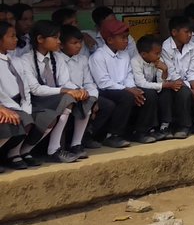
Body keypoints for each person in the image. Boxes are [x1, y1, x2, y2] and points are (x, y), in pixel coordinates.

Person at [21, 20, 90, 163]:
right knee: (67, 99)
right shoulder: (25, 60)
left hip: (54, 98)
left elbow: (65, 81)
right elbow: (35, 89)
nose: (59, 42)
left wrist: (77, 90)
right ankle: (48, 150)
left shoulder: (57, 58)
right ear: (40, 39)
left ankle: (63, 147)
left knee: (83, 99)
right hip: (36, 100)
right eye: (55, 38)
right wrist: (66, 90)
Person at [88, 19, 141, 148]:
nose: (126, 41)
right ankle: (113, 135)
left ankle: (140, 131)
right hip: (105, 90)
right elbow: (103, 82)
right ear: (110, 40)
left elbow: (128, 74)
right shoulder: (98, 56)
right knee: (126, 97)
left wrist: (132, 87)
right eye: (122, 38)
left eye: (126, 38)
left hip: (121, 89)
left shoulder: (125, 55)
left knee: (144, 94)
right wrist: (127, 89)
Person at [60, 26, 103, 158]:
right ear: (61, 45)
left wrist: (93, 97)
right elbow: (63, 81)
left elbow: (89, 82)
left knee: (89, 103)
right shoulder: (58, 59)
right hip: (66, 94)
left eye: (80, 42)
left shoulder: (83, 59)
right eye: (74, 43)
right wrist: (78, 91)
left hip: (82, 94)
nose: (78, 46)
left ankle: (76, 143)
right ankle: (61, 146)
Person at [0, 21, 36, 171]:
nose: (16, 39)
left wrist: (25, 106)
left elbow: (25, 87)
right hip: (4, 103)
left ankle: (14, 154)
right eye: (12, 36)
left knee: (27, 118)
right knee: (9, 120)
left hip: (16, 102)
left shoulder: (14, 60)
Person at [131, 35, 182, 139]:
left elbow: (161, 80)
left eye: (160, 53)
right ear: (144, 54)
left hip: (154, 85)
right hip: (138, 88)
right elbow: (141, 83)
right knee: (151, 94)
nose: (159, 56)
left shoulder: (158, 60)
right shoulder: (135, 61)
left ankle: (165, 126)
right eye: (156, 53)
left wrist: (165, 70)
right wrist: (164, 85)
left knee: (166, 92)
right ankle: (148, 129)